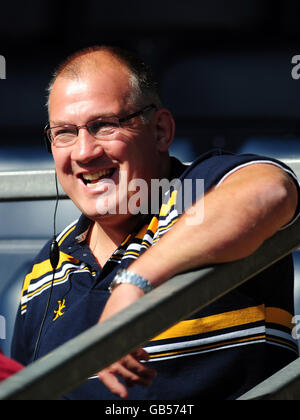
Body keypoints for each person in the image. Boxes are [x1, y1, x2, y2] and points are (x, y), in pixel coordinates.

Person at [11, 45, 300, 400]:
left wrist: (133, 285)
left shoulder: (199, 192)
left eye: (104, 126)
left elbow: (271, 191)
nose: (84, 152)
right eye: (65, 132)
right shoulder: (46, 266)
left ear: (161, 131)